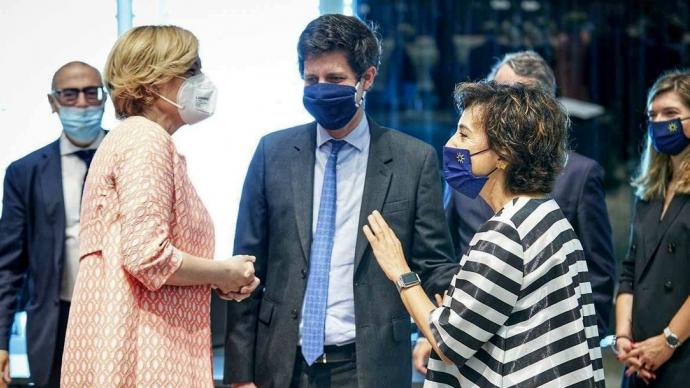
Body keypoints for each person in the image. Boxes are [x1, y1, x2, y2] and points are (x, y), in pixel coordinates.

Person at [224, 14, 455, 388]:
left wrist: (446, 326)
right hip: (282, 362)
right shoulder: (273, 152)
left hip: (369, 365)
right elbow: (246, 266)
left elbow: (433, 263)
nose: (320, 89)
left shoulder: (413, 159)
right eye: (311, 79)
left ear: (367, 79)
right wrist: (239, 374)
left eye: (334, 80)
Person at [364, 81, 605, 387]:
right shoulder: (544, 213)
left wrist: (400, 271)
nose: (451, 144)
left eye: (464, 135)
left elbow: (448, 342)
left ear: (503, 154)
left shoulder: (507, 231)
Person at [59, 25, 259, 388]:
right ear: (153, 81)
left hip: (129, 343)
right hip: (144, 354)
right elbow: (147, 257)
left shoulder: (132, 139)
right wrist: (222, 272)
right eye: (192, 70)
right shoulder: (145, 140)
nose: (202, 81)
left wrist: (216, 279)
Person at [415, 49, 615, 375]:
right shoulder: (474, 183)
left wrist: (403, 276)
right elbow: (442, 252)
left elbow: (594, 285)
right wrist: (459, 309)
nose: (453, 145)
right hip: (473, 336)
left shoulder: (554, 196)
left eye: (512, 102)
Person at [0, 61, 108, 388]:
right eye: (70, 95)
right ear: (53, 102)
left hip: (118, 315)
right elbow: (8, 265)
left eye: (92, 93)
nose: (82, 104)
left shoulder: (131, 156)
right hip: (55, 319)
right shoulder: (25, 172)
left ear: (105, 98)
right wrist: (1, 339)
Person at [615, 69, 690, 387]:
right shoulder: (649, 189)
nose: (660, 122)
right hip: (639, 357)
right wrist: (623, 338)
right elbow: (629, 270)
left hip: (681, 354)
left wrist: (668, 341)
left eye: (671, 114)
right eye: (653, 115)